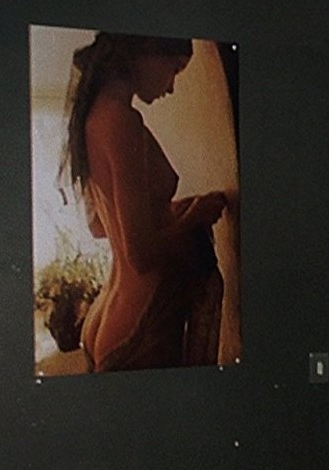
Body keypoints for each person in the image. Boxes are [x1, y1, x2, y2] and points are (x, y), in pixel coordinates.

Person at [62, 33, 228, 372]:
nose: (171, 87)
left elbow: (100, 227)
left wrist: (173, 212)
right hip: (141, 319)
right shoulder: (122, 120)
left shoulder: (92, 116)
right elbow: (141, 254)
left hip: (108, 314)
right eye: (175, 69)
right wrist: (196, 216)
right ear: (146, 51)